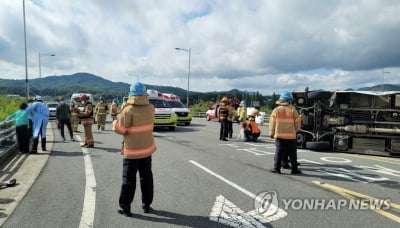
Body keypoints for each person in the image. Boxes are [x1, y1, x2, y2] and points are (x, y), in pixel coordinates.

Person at [113, 82, 156, 216]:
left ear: (131, 94)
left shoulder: (128, 110)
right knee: (147, 177)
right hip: (147, 149)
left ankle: (126, 207)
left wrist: (115, 121)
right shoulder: (151, 108)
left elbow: (120, 129)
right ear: (144, 94)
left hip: (132, 152)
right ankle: (146, 205)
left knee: (129, 180)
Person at [269, 91, 302, 175]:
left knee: (279, 152)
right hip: (291, 136)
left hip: (279, 136)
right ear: (288, 100)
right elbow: (297, 122)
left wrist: (272, 133)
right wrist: (296, 130)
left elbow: (272, 123)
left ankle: (277, 169)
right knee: (292, 154)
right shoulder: (292, 110)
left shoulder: (276, 110)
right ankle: (294, 169)